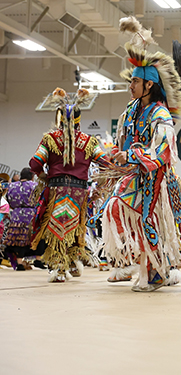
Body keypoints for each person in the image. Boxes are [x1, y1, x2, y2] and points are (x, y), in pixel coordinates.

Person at [101, 17, 181, 292]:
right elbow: (121, 142)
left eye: (135, 81)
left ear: (149, 85)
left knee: (147, 218)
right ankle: (142, 263)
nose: (130, 85)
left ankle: (157, 271)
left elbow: (162, 151)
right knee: (115, 207)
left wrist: (134, 156)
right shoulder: (131, 110)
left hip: (155, 177)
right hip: (135, 174)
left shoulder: (160, 114)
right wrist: (112, 154)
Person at [29, 88, 110, 282]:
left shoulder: (50, 139)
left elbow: (34, 163)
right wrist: (98, 188)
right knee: (75, 227)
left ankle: (59, 268)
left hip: (56, 190)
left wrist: (44, 177)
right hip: (79, 192)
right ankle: (72, 264)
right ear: (78, 121)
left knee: (58, 226)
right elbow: (106, 164)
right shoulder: (89, 142)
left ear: (60, 119)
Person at [0, 168, 38, 270]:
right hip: (30, 214)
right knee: (28, 238)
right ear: (32, 176)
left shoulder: (12, 185)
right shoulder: (34, 186)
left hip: (16, 214)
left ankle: (19, 262)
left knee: (16, 239)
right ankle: (36, 260)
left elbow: (8, 198)